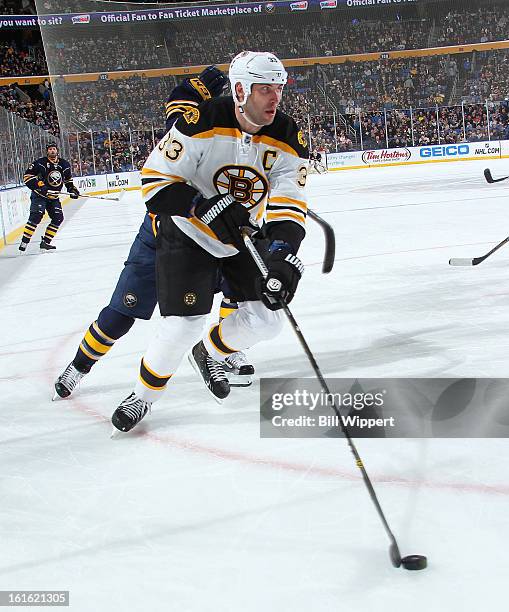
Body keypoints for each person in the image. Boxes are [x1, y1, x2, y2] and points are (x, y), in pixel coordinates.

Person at [111, 50, 309, 434]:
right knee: (184, 324)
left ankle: (211, 351)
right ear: (239, 90)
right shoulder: (202, 120)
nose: (275, 98)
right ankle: (142, 396)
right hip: (187, 233)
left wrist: (282, 253)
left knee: (268, 321)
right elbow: (154, 184)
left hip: (240, 236)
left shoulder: (288, 137)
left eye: (278, 89)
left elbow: (290, 205)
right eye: (264, 89)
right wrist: (202, 205)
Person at [53, 66, 254, 401]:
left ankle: (218, 353)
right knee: (120, 314)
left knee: (238, 291)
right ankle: (79, 366)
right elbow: (178, 111)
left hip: (214, 238)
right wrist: (198, 86)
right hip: (164, 234)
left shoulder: (248, 136)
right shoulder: (193, 129)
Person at [19, 142, 80, 252]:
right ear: (47, 151)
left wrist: (72, 189)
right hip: (40, 195)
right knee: (36, 216)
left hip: (54, 197)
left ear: (57, 150)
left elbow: (68, 180)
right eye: (50, 149)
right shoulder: (40, 163)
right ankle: (24, 242)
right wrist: (40, 185)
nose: (52, 151)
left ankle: (46, 242)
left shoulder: (64, 164)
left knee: (58, 218)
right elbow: (27, 176)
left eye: (54, 149)